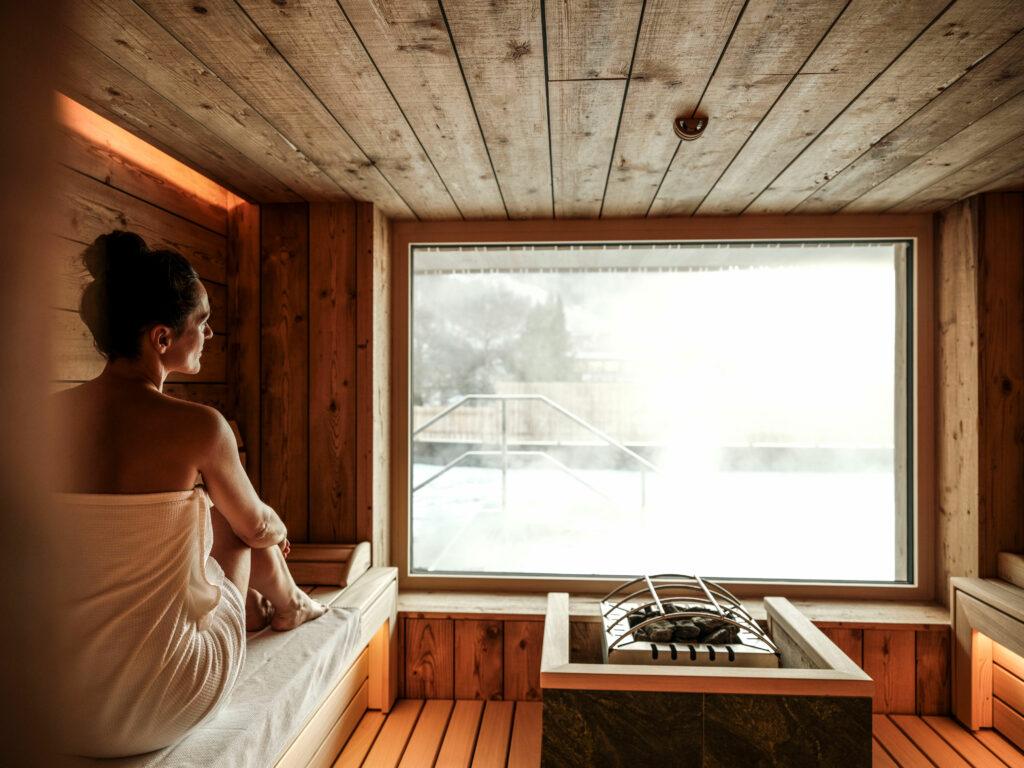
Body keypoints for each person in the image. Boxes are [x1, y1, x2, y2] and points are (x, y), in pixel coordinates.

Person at [53, 230, 327, 757]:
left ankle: (282, 600)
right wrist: (277, 525)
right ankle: (290, 603)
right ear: (161, 338)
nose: (209, 334)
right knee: (238, 519)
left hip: (54, 704)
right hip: (165, 700)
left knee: (202, 508)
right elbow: (254, 528)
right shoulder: (202, 427)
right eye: (201, 322)